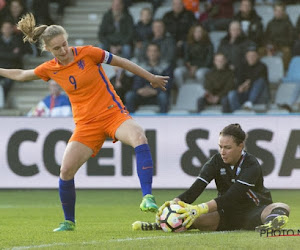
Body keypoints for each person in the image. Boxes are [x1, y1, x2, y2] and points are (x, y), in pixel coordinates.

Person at [0, 13, 169, 232]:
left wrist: (151, 77)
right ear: (49, 50)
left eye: (65, 44)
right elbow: (22, 74)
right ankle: (69, 221)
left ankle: (147, 196)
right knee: (66, 170)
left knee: (139, 136)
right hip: (86, 125)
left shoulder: (89, 53)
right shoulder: (50, 68)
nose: (63, 51)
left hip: (112, 115)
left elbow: (122, 62)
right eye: (57, 48)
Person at [132, 124, 290, 232]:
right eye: (220, 147)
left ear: (240, 146)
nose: (223, 152)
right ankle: (161, 224)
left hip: (254, 211)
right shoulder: (215, 161)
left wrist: (199, 208)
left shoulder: (251, 164)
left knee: (282, 206)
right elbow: (195, 190)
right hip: (226, 213)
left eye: (227, 148)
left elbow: (232, 196)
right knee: (190, 219)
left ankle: (271, 222)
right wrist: (173, 204)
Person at [125, 43, 173, 113]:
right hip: (142, 95)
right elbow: (136, 81)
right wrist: (139, 90)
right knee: (129, 96)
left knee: (163, 97)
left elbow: (167, 84)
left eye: (155, 51)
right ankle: (131, 120)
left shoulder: (166, 67)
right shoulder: (141, 66)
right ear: (147, 53)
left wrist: (156, 91)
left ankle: (163, 120)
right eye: (150, 51)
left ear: (159, 53)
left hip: (157, 95)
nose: (152, 53)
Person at [227, 46, 269, 112]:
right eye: (249, 56)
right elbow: (238, 79)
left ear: (257, 56)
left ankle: (249, 102)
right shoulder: (242, 66)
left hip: (259, 95)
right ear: (246, 57)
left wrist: (247, 84)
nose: (251, 58)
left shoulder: (262, 66)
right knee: (231, 94)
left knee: (260, 81)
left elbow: (257, 79)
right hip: (245, 93)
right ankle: (238, 113)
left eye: (253, 56)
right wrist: (240, 87)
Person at [263, 2, 294, 70]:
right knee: (260, 51)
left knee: (287, 51)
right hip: (271, 45)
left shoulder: (288, 23)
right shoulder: (270, 23)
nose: (278, 12)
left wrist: (277, 43)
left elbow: (291, 39)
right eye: (276, 10)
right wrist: (269, 46)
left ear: (283, 12)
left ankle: (285, 70)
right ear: (274, 12)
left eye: (280, 10)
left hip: (283, 45)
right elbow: (265, 37)